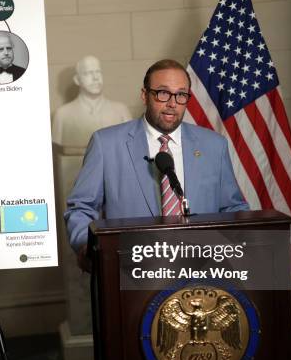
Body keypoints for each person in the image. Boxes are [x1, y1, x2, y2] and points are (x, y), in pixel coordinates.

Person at [64, 59, 249, 271]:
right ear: (145, 95)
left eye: (180, 95)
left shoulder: (214, 145)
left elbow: (233, 207)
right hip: (130, 273)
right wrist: (87, 245)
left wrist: (232, 248)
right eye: (163, 93)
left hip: (203, 272)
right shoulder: (106, 144)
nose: (172, 103)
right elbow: (81, 208)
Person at [52, 55, 131, 147]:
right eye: (88, 73)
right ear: (77, 80)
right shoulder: (62, 115)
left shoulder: (121, 111)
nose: (95, 78)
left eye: (98, 72)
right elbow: (55, 154)